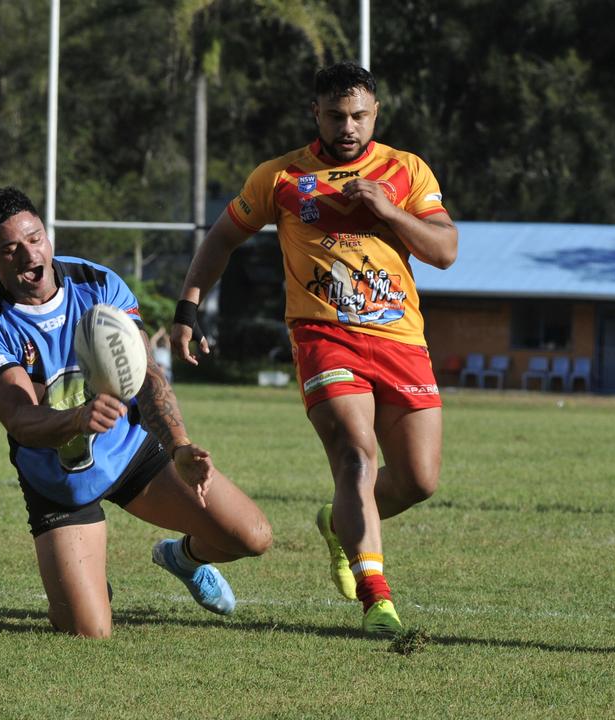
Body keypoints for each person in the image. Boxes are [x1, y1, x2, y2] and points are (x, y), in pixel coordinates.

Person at [171, 63, 458, 636]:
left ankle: (337, 522)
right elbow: (223, 237)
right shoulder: (281, 178)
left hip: (402, 341)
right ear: (316, 114)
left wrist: (388, 210)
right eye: (335, 115)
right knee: (356, 456)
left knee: (419, 481)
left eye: (358, 115)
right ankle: (378, 600)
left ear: (375, 113)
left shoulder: (407, 171)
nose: (347, 126)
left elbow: (445, 250)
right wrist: (188, 309)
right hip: (324, 337)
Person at [0, 187, 271, 638]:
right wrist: (78, 420)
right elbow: (21, 420)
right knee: (89, 631)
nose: (29, 255)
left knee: (252, 536)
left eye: (36, 238)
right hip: (60, 485)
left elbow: (148, 376)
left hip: (132, 453)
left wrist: (179, 444)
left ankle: (181, 558)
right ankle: (81, 591)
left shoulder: (97, 283)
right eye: (10, 249)